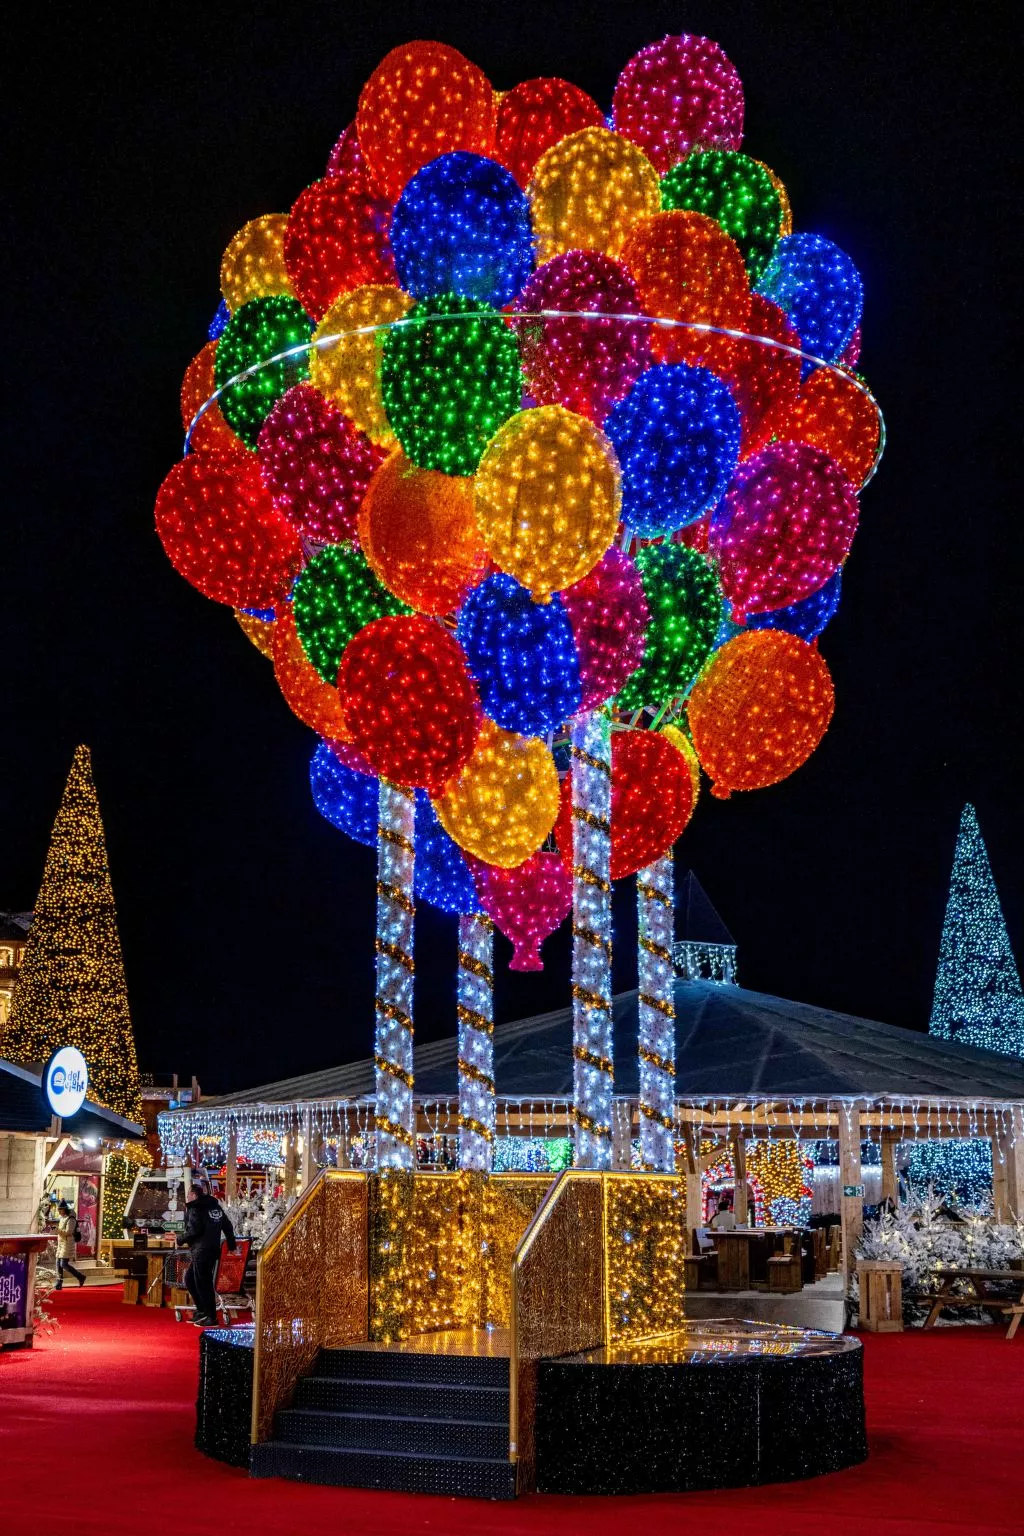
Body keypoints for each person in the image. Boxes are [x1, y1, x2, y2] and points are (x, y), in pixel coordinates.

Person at [182, 1181, 236, 1326]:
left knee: (202, 1283)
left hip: (201, 1251)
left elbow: (194, 1231)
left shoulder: (196, 1208)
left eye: (188, 1195)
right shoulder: (215, 1207)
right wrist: (231, 1244)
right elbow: (227, 1225)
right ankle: (202, 1312)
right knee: (190, 1279)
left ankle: (211, 1317)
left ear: (193, 1195)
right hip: (212, 1250)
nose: (187, 1197)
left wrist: (180, 1239)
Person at [54, 1199, 86, 1289]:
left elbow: (68, 1232)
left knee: (63, 1264)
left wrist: (57, 1230)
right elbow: (62, 1231)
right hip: (61, 1243)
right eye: (58, 1210)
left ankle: (80, 1276)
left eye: (61, 1210)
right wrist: (57, 1231)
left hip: (68, 1243)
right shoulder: (62, 1218)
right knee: (57, 1263)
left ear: (65, 1209)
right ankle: (59, 1283)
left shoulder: (71, 1219)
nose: (59, 1212)